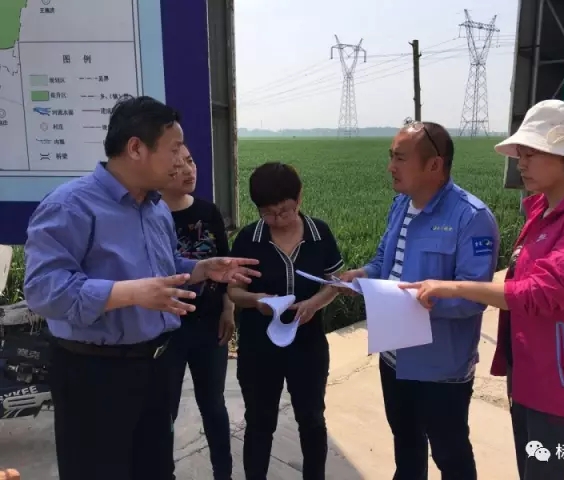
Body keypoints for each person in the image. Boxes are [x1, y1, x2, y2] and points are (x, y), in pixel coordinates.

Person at [22, 95, 260, 480]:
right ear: (136, 148)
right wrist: (131, 293)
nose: (182, 160)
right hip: (94, 373)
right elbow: (43, 290)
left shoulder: (155, 208)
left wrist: (201, 269)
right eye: (174, 148)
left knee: (154, 470)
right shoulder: (71, 205)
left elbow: (162, 269)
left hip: (154, 367)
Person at [398, 100, 564, 480]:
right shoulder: (542, 211)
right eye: (520, 154)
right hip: (531, 376)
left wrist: (453, 287)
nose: (520, 163)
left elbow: (544, 291)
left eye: (531, 153)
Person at [340, 121, 500, 480]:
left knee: (451, 455)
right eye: (391, 157)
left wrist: (428, 300)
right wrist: (361, 275)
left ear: (434, 165)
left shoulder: (471, 218)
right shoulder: (401, 205)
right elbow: (384, 261)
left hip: (440, 368)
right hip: (393, 358)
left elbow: (475, 297)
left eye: (400, 158)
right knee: (407, 447)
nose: (390, 167)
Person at [227, 162, 344, 480]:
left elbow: (334, 282)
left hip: (308, 344)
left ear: (299, 197)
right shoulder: (249, 239)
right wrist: (257, 301)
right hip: (259, 346)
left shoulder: (320, 234)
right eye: (268, 213)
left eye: (285, 211)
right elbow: (234, 291)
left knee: (312, 419)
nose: (278, 219)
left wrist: (315, 304)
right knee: (259, 421)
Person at [160, 145, 234, 479]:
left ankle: (223, 473)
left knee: (213, 404)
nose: (189, 170)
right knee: (165, 410)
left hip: (209, 325)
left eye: (190, 161)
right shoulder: (151, 216)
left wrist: (228, 308)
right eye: (178, 166)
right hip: (167, 330)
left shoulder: (208, 211)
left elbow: (225, 264)